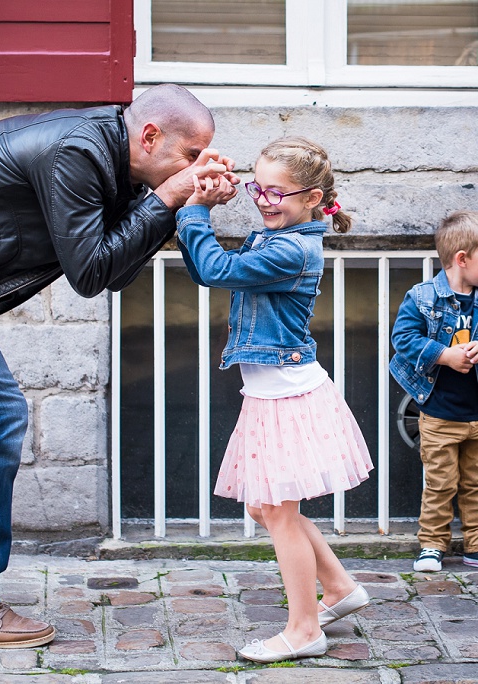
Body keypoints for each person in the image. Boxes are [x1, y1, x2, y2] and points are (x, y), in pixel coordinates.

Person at [0, 83, 238, 648]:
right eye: (189, 156)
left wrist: (172, 199)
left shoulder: (117, 162)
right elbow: (89, 275)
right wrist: (166, 200)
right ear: (150, 136)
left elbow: (111, 268)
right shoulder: (78, 153)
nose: (195, 167)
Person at [177, 136, 373, 663]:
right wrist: (213, 195)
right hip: (272, 391)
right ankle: (339, 588)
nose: (264, 200)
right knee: (264, 508)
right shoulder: (278, 234)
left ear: (312, 198)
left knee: (279, 513)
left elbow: (214, 270)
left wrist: (194, 208)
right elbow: (215, 269)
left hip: (288, 395)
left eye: (277, 193)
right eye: (256, 188)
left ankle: (305, 629)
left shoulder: (291, 248)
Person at [390, 210, 478, 572]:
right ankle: (432, 544)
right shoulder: (423, 296)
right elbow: (404, 339)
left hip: (476, 414)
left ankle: (475, 545)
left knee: (475, 485)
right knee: (440, 484)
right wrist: (445, 355)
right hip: (439, 413)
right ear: (462, 259)